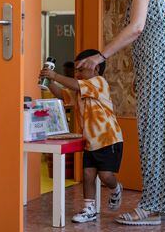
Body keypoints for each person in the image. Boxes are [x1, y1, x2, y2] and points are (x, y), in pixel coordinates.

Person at [76, 0, 165, 226]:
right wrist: (141, 76)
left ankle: (149, 207)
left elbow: (136, 28)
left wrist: (101, 55)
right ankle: (164, 203)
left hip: (158, 67)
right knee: (161, 135)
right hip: (156, 68)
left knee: (153, 136)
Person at [40, 49, 124, 224]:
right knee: (87, 174)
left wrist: (54, 75)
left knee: (106, 175)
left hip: (108, 139)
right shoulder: (79, 90)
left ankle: (116, 188)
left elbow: (76, 86)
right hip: (90, 142)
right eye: (76, 70)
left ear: (96, 69)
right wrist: (48, 82)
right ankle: (89, 208)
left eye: (81, 69)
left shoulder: (99, 83)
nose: (77, 73)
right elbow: (64, 95)